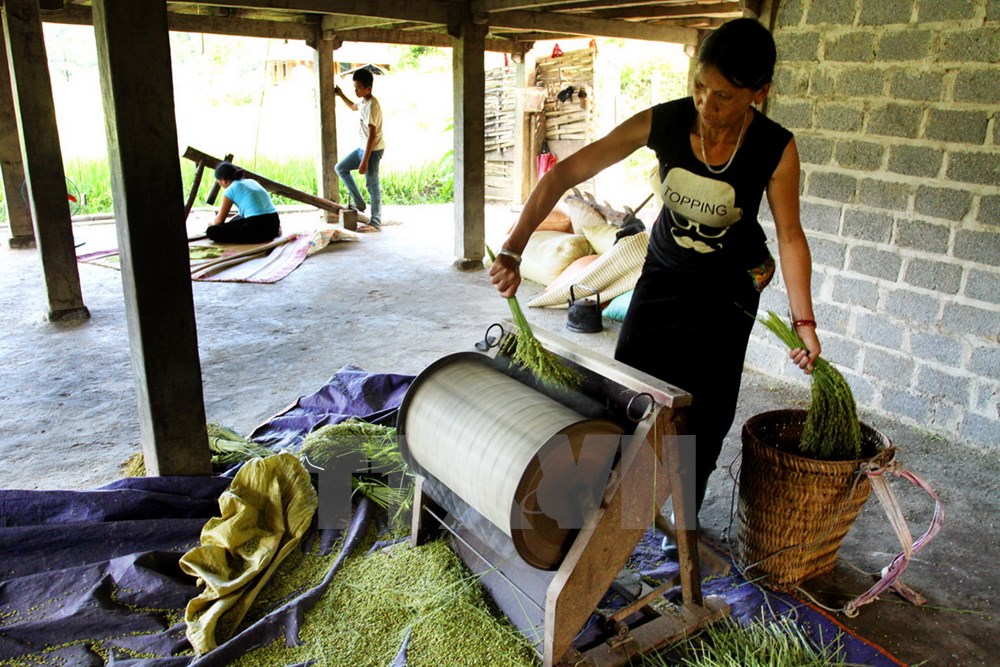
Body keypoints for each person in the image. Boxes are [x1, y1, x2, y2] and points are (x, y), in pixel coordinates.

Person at [490, 18, 820, 522]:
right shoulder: (664, 122)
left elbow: (791, 236)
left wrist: (804, 325)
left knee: (703, 418)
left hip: (728, 294)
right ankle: (613, 505)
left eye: (725, 96)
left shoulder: (775, 147)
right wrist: (513, 248)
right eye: (700, 88)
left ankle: (681, 524)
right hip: (663, 278)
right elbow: (565, 172)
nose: (707, 106)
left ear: (760, 92)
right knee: (627, 394)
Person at [334, 68, 385, 229]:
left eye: (358, 88)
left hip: (373, 150)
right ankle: (359, 202)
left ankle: (376, 221)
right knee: (341, 168)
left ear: (368, 89)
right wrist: (340, 94)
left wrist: (364, 161)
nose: (355, 90)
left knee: (372, 184)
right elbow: (353, 106)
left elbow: (372, 135)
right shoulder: (364, 101)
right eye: (354, 87)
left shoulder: (372, 106)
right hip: (363, 148)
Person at [206, 162, 281, 243]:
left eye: (218, 182)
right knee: (237, 220)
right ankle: (276, 230)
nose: (220, 185)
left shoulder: (230, 190)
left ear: (223, 180)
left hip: (257, 229)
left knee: (211, 231)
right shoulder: (251, 181)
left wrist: (212, 224)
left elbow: (220, 221)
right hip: (274, 224)